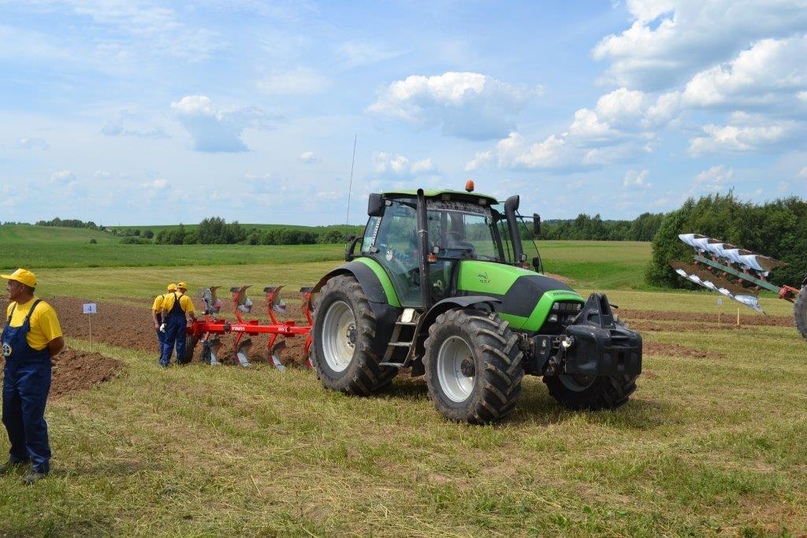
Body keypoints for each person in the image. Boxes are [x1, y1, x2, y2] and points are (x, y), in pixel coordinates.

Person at [0, 268, 64, 484]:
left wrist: (40, 359)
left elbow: (57, 342)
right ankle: (18, 456)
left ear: (22, 287)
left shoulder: (42, 310)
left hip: (33, 371)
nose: (7, 286)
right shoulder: (12, 308)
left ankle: (40, 464)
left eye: (11, 283)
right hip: (12, 370)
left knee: (31, 418)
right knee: (10, 415)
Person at [159, 281, 196, 367]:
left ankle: (165, 362)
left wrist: (163, 321)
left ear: (177, 288)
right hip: (181, 321)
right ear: (183, 289)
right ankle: (179, 362)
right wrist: (194, 319)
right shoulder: (186, 298)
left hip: (170, 320)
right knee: (180, 341)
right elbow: (190, 312)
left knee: (168, 341)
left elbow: (163, 310)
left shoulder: (168, 296)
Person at [152, 284, 176, 360]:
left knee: (168, 340)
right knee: (163, 340)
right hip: (160, 319)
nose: (175, 292)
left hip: (170, 319)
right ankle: (163, 358)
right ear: (169, 291)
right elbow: (154, 311)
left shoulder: (174, 299)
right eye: (174, 291)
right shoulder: (160, 298)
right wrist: (156, 323)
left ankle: (165, 358)